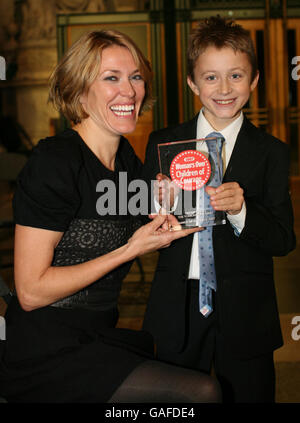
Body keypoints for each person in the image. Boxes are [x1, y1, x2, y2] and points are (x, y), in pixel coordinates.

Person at [0, 30, 222, 403]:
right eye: (111, 78)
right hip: (44, 349)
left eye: (135, 77)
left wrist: (171, 209)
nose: (129, 90)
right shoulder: (56, 161)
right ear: (78, 89)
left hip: (98, 334)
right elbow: (31, 292)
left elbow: (144, 228)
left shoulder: (126, 163)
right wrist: (130, 249)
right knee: (202, 393)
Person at [142, 16, 296, 403]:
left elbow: (283, 239)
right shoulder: (164, 144)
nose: (224, 89)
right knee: (177, 403)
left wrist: (242, 211)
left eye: (236, 76)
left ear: (255, 80)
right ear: (193, 82)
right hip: (177, 307)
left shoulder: (271, 152)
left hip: (247, 312)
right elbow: (140, 230)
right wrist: (155, 204)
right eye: (210, 77)